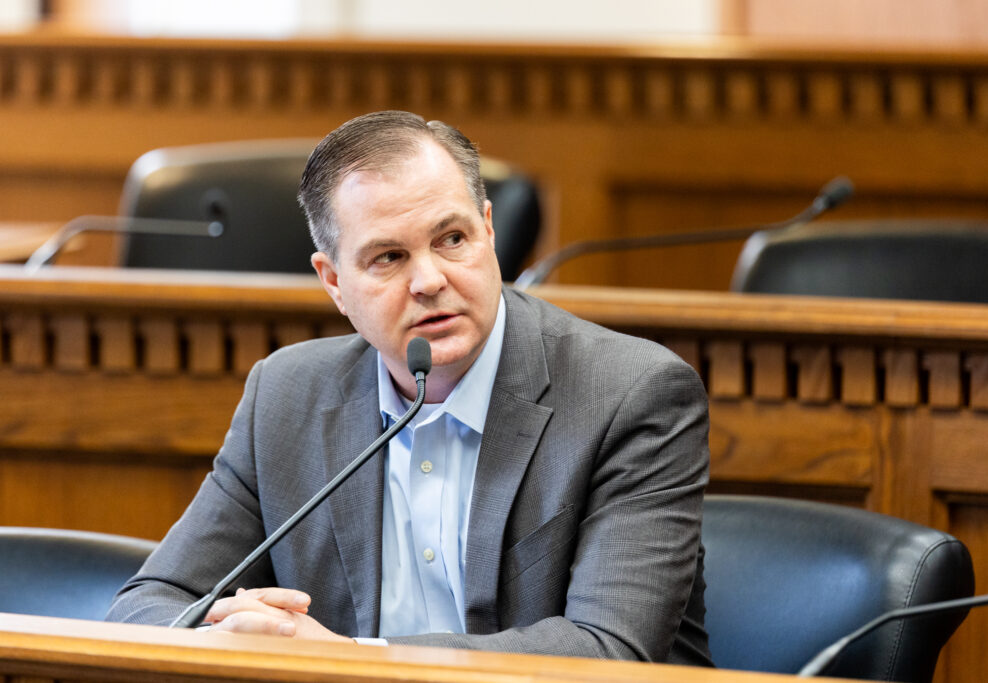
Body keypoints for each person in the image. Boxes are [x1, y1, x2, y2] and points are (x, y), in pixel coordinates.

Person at [107, 110, 712, 665]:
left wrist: (353, 658)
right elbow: (148, 606)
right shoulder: (286, 397)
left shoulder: (632, 394)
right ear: (334, 282)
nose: (429, 280)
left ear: (489, 230)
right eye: (389, 257)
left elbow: (609, 653)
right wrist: (230, 636)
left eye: (452, 239)